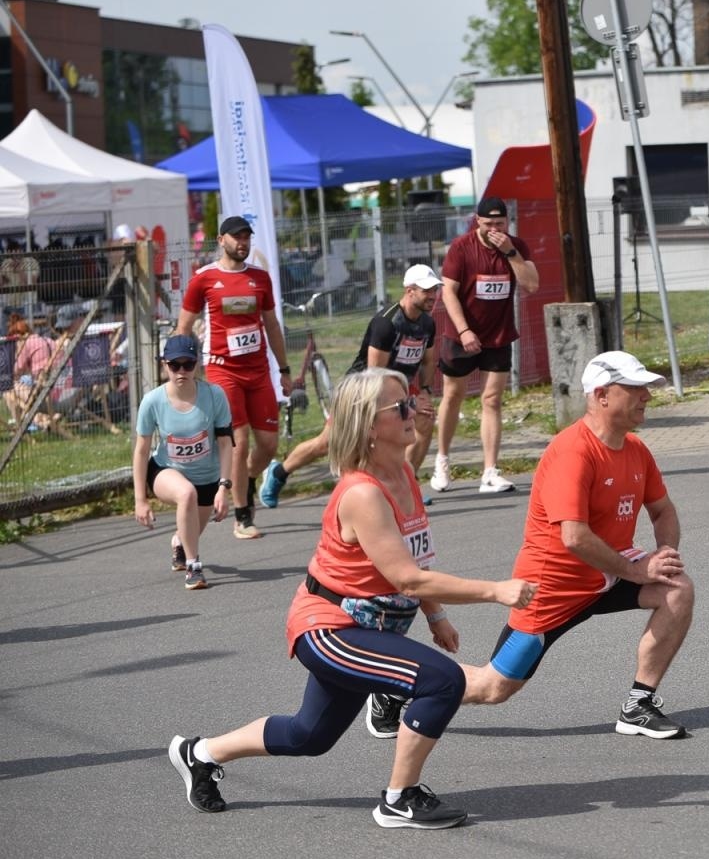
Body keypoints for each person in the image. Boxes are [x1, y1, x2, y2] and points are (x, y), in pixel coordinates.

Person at [166, 368, 536, 828]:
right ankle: (399, 799)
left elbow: (410, 559)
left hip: (366, 628)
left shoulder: (401, 472)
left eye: (412, 400)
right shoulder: (363, 492)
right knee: (441, 681)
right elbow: (409, 580)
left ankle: (198, 754)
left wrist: (436, 615)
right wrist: (496, 591)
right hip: (330, 627)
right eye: (399, 407)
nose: (414, 410)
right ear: (366, 424)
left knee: (310, 734)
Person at [455, 352, 697, 740]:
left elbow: (663, 511)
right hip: (553, 588)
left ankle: (638, 705)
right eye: (635, 389)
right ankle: (399, 686)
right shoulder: (573, 452)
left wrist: (664, 555)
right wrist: (635, 569)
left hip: (607, 573)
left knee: (677, 588)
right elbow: (574, 536)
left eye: (645, 389)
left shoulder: (636, 449)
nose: (646, 397)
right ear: (601, 395)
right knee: (494, 687)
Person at [261, 264, 441, 509]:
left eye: (435, 290)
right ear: (410, 291)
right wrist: (407, 400)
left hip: (399, 388)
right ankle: (279, 472)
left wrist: (426, 393)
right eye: (427, 290)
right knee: (327, 443)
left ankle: (405, 485)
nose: (433, 296)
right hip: (363, 388)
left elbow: (429, 360)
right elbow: (375, 376)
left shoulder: (427, 324)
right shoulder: (386, 324)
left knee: (424, 420)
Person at [176, 215, 292, 540]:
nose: (242, 243)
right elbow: (183, 329)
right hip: (222, 369)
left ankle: (248, 479)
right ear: (221, 239)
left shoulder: (260, 278)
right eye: (236, 237)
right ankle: (242, 516)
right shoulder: (204, 279)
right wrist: (180, 373)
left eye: (246, 237)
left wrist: (284, 370)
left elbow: (271, 326)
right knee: (239, 443)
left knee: (268, 445)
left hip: (258, 372)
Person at [430, 196, 538, 495]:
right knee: (453, 396)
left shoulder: (514, 246)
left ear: (507, 222)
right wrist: (464, 330)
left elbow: (531, 284)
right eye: (488, 224)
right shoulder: (461, 248)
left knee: (492, 399)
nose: (494, 229)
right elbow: (448, 293)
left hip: (499, 336)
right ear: (477, 221)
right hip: (461, 336)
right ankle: (442, 459)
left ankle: (490, 471)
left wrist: (511, 253)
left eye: (500, 224)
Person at [133, 335, 235, 589]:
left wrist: (223, 487)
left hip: (208, 477)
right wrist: (140, 500)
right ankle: (194, 567)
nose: (181, 371)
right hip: (166, 471)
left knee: (190, 530)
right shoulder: (152, 401)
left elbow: (225, 443)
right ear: (164, 365)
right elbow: (141, 451)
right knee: (185, 493)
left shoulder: (214, 396)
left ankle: (179, 544)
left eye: (187, 364)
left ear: (197, 364)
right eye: (174, 365)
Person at [3, 311, 50, 432]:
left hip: (48, 398)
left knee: (8, 390)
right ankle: (41, 420)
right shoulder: (46, 340)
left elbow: (15, 372)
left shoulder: (27, 343)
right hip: (65, 393)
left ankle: (23, 430)